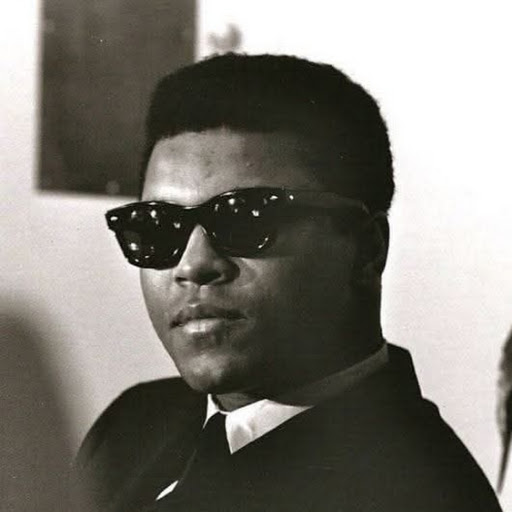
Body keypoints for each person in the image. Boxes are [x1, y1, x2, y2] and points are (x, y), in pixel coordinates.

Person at [75, 53, 502, 512]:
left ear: (366, 250)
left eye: (245, 219)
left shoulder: (421, 496)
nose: (192, 265)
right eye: (158, 227)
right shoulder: (131, 426)